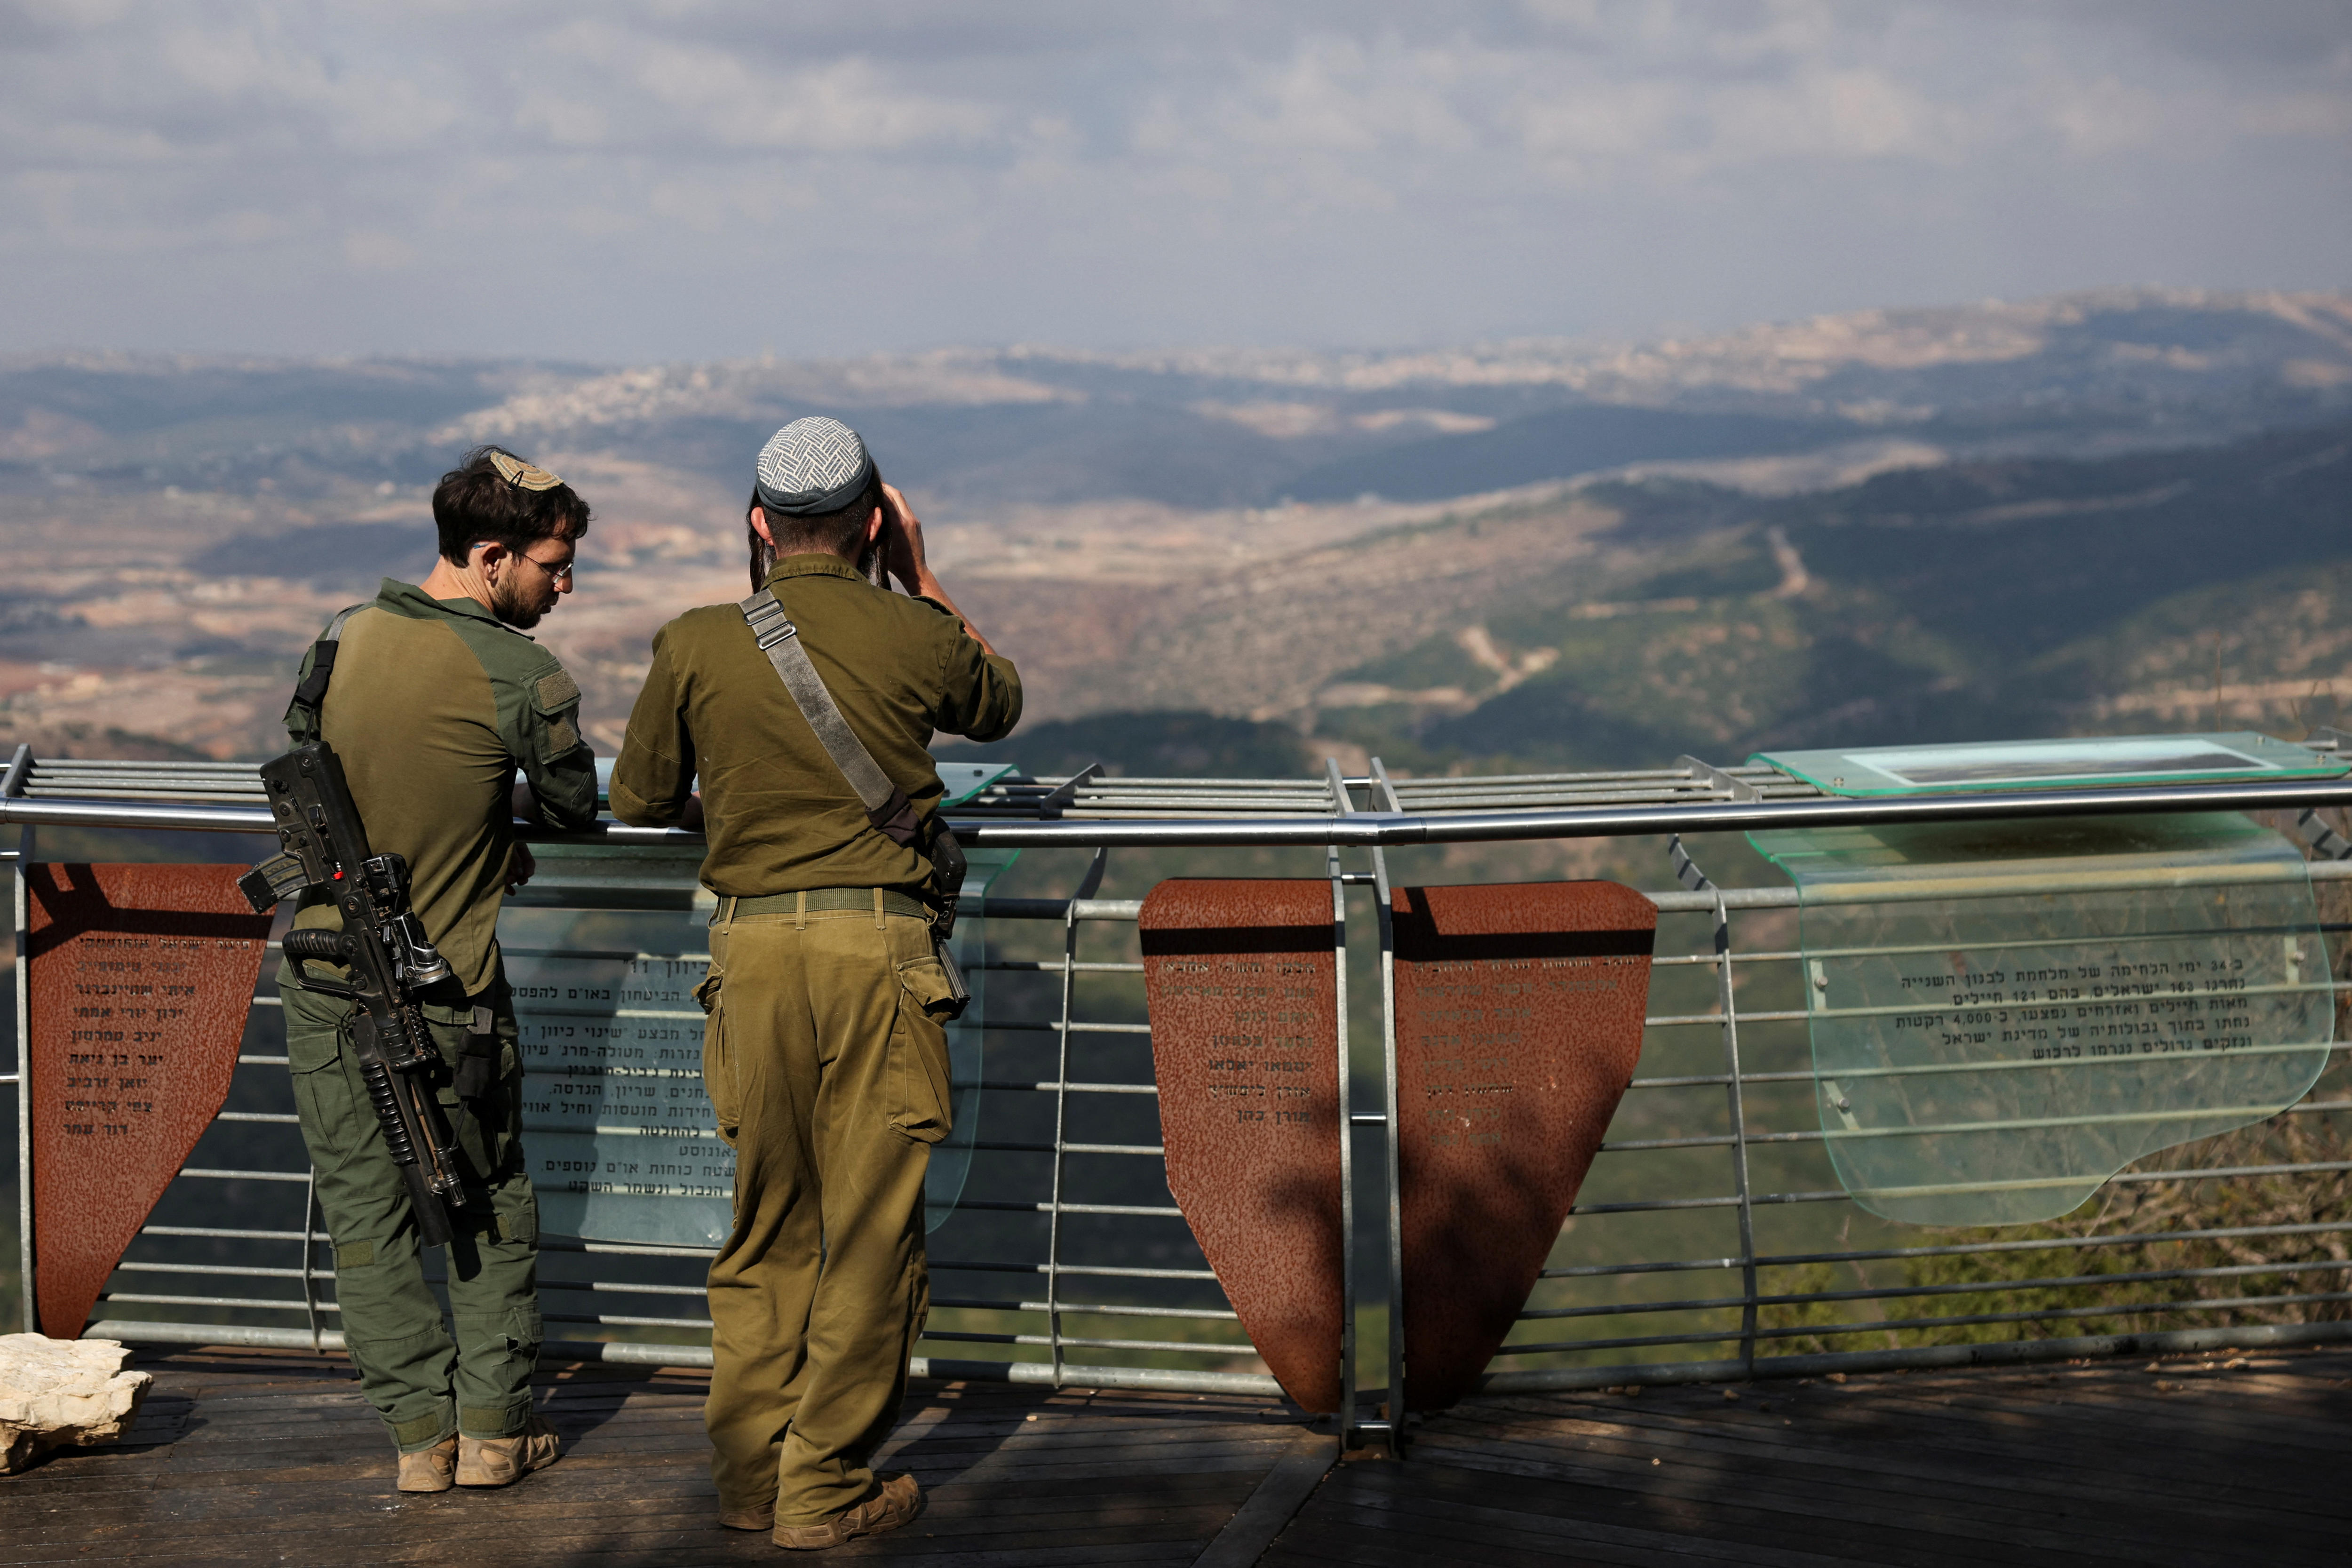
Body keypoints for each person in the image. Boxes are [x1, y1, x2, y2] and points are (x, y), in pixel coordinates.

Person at [609, 417, 1021, 1551]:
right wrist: (925, 575)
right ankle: (824, 1486)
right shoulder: (909, 629)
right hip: (879, 956)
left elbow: (641, 803)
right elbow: (998, 702)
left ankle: (747, 1477)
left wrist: (740, 808)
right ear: (872, 521)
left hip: (748, 957)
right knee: (873, 1233)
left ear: (757, 522)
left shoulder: (694, 641)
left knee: (766, 1226)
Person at [276, 446, 600, 1494]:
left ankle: (420, 1442)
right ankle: (496, 1430)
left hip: (325, 976)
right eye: (553, 565)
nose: (564, 585)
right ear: (492, 554)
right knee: (492, 1196)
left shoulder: (341, 635)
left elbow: (303, 761)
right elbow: (570, 807)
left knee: (365, 1214)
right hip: (448, 994)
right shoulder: (523, 675)